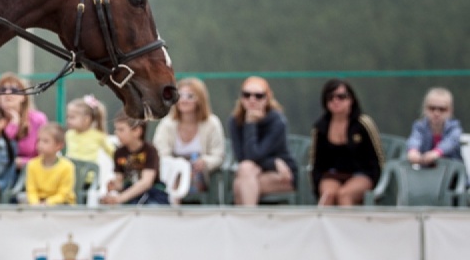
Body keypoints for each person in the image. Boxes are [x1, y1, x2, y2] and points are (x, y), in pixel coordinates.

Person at [309, 79, 383, 206]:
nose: (335, 101)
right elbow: (316, 163)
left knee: (344, 194)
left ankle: (348, 220)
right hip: (332, 174)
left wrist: (377, 182)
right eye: (330, 97)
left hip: (362, 174)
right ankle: (321, 219)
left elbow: (378, 158)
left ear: (351, 99)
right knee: (328, 195)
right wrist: (317, 185)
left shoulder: (363, 124)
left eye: (341, 97)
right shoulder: (320, 128)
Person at [228, 76, 297, 206]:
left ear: (267, 98)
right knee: (246, 170)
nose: (252, 99)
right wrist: (275, 162)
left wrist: (250, 124)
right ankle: (251, 216)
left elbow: (255, 155)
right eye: (246, 95)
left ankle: (248, 217)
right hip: (253, 170)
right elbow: (243, 157)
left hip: (282, 174)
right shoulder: (235, 121)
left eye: (258, 96)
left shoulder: (277, 121)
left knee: (240, 185)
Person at [151, 77, 225, 196]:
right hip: (173, 175)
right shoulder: (167, 124)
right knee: (176, 175)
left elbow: (218, 156)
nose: (184, 100)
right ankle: (173, 204)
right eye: (180, 96)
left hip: (201, 176)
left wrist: (204, 162)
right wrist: (178, 165)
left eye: (190, 96)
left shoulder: (212, 123)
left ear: (200, 100)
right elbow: (160, 153)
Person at [101, 114, 169, 206]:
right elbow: (119, 181)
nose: (116, 133)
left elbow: (146, 182)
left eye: (121, 129)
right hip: (130, 193)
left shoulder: (149, 151)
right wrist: (113, 186)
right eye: (116, 129)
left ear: (137, 131)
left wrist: (120, 198)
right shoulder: (119, 153)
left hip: (151, 194)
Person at [0, 73, 49, 170]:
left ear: (23, 97)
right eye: (3, 90)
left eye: (14, 90)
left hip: (32, 170)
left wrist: (23, 162)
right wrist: (13, 124)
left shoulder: (38, 119)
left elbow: (46, 154)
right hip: (1, 170)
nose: (8, 93)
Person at [406, 87, 464, 167]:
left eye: (442, 109)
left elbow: (450, 142)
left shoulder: (454, 129)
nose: (436, 113)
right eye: (432, 108)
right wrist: (413, 151)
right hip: (426, 170)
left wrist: (437, 152)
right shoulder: (420, 127)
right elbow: (415, 139)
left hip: (451, 171)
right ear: (425, 109)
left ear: (450, 111)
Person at [24, 123, 76, 205]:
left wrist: (47, 203)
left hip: (62, 205)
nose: (40, 145)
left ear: (59, 145)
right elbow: (31, 190)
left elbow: (63, 194)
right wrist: (35, 203)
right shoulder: (32, 165)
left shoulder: (67, 167)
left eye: (45, 141)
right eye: (38, 140)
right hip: (38, 205)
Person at [63, 95, 114, 164]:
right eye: (67, 117)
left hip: (89, 170)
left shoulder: (98, 135)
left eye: (72, 117)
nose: (68, 120)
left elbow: (112, 152)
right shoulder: (69, 134)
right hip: (71, 169)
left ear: (86, 119)